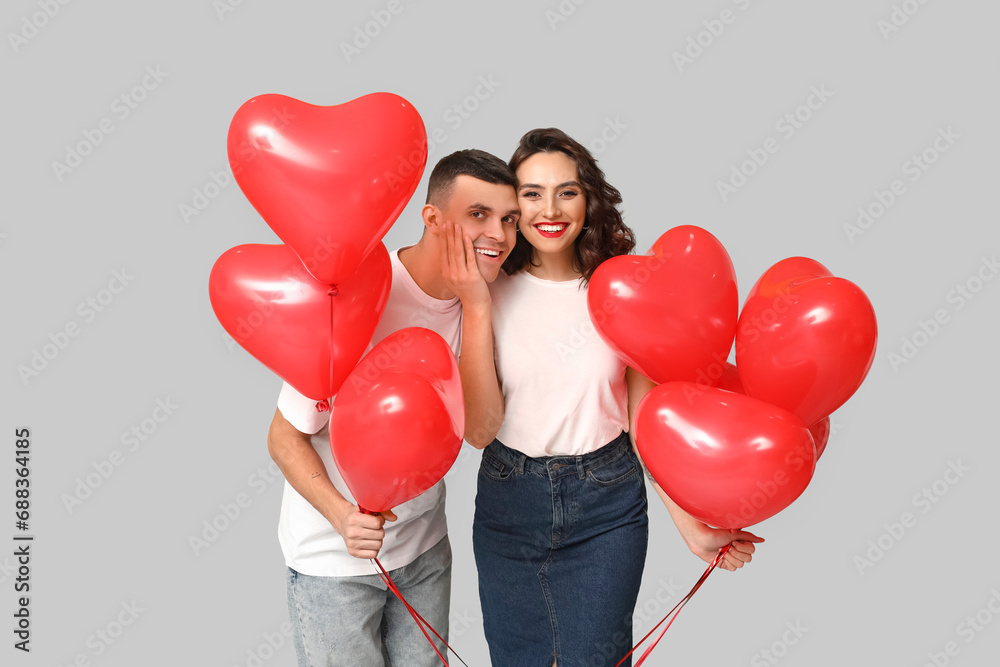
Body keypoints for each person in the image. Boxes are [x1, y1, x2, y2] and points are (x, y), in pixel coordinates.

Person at [444, 128, 763, 666]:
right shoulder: (486, 287)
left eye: (567, 191)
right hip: (509, 501)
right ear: (512, 205)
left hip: (606, 504)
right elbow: (477, 429)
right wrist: (475, 303)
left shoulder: (620, 289)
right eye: (531, 193)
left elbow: (645, 421)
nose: (550, 208)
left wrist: (691, 526)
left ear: (588, 199)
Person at [267, 149, 519, 667]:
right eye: (479, 215)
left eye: (509, 219)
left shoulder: (488, 302)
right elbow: (284, 436)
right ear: (433, 218)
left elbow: (479, 431)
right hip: (333, 563)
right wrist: (342, 518)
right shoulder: (361, 291)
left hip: (425, 553)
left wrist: (474, 305)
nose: (499, 233)